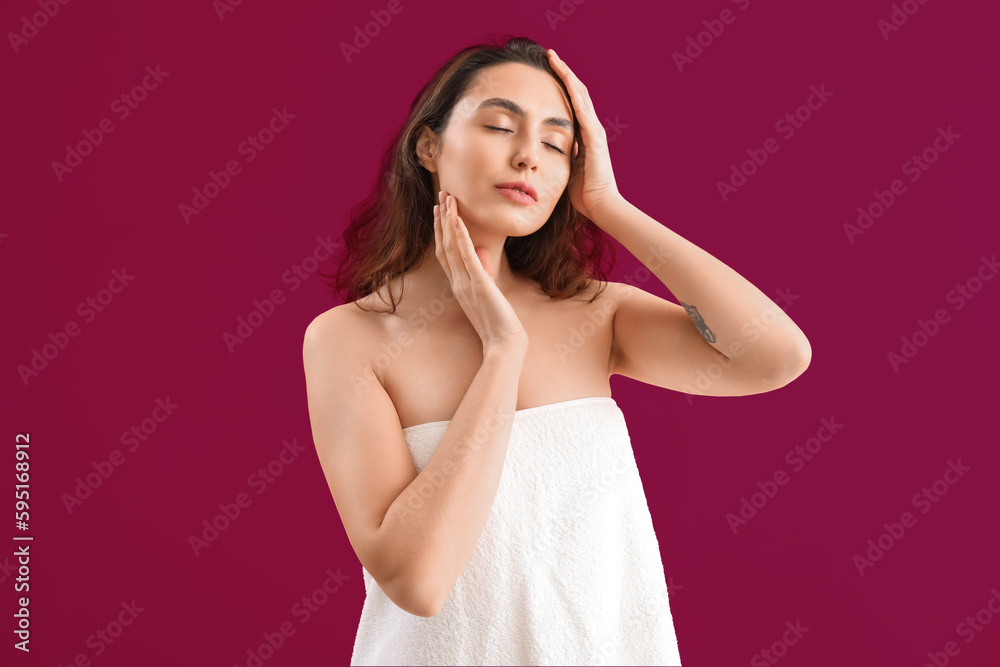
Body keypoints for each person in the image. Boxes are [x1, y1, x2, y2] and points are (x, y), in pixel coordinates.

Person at [302, 35, 811, 666]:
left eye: (555, 144)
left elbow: (775, 357)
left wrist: (608, 205)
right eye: (498, 125)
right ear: (427, 145)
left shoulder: (594, 314)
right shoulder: (349, 337)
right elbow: (418, 582)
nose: (527, 158)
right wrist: (501, 353)